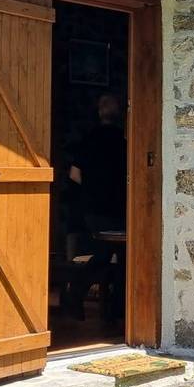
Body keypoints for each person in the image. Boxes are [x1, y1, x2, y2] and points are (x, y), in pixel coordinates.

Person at [67, 94, 126, 321]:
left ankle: (75, 297)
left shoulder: (87, 140)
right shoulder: (124, 143)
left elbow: (74, 174)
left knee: (102, 256)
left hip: (94, 209)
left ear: (99, 112)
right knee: (123, 260)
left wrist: (92, 190)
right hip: (120, 210)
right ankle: (117, 311)